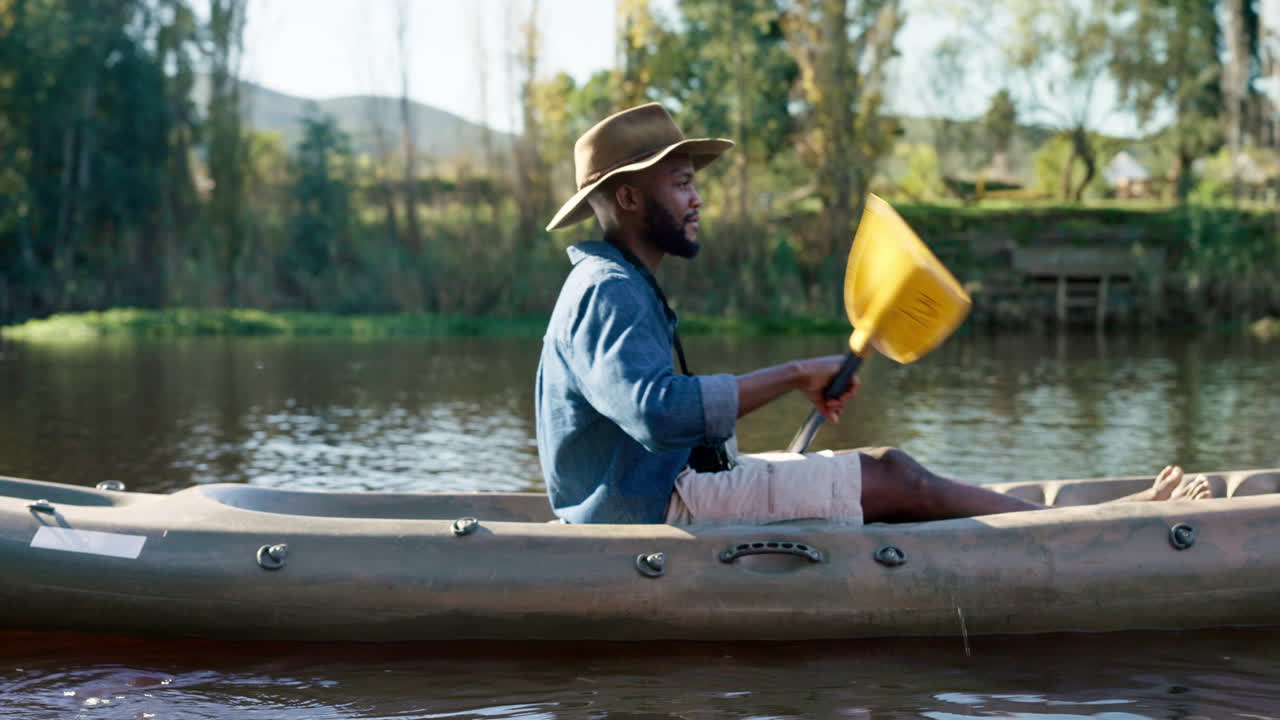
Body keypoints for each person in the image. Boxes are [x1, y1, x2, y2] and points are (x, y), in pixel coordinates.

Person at [534, 102, 1212, 525]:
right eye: (680, 182)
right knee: (896, 477)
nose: (697, 198)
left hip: (655, 489)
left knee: (893, 475)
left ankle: (1067, 520)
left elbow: (657, 415)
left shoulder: (616, 281)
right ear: (626, 198)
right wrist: (798, 370)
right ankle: (1102, 528)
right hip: (651, 510)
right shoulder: (607, 290)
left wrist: (786, 388)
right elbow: (657, 412)